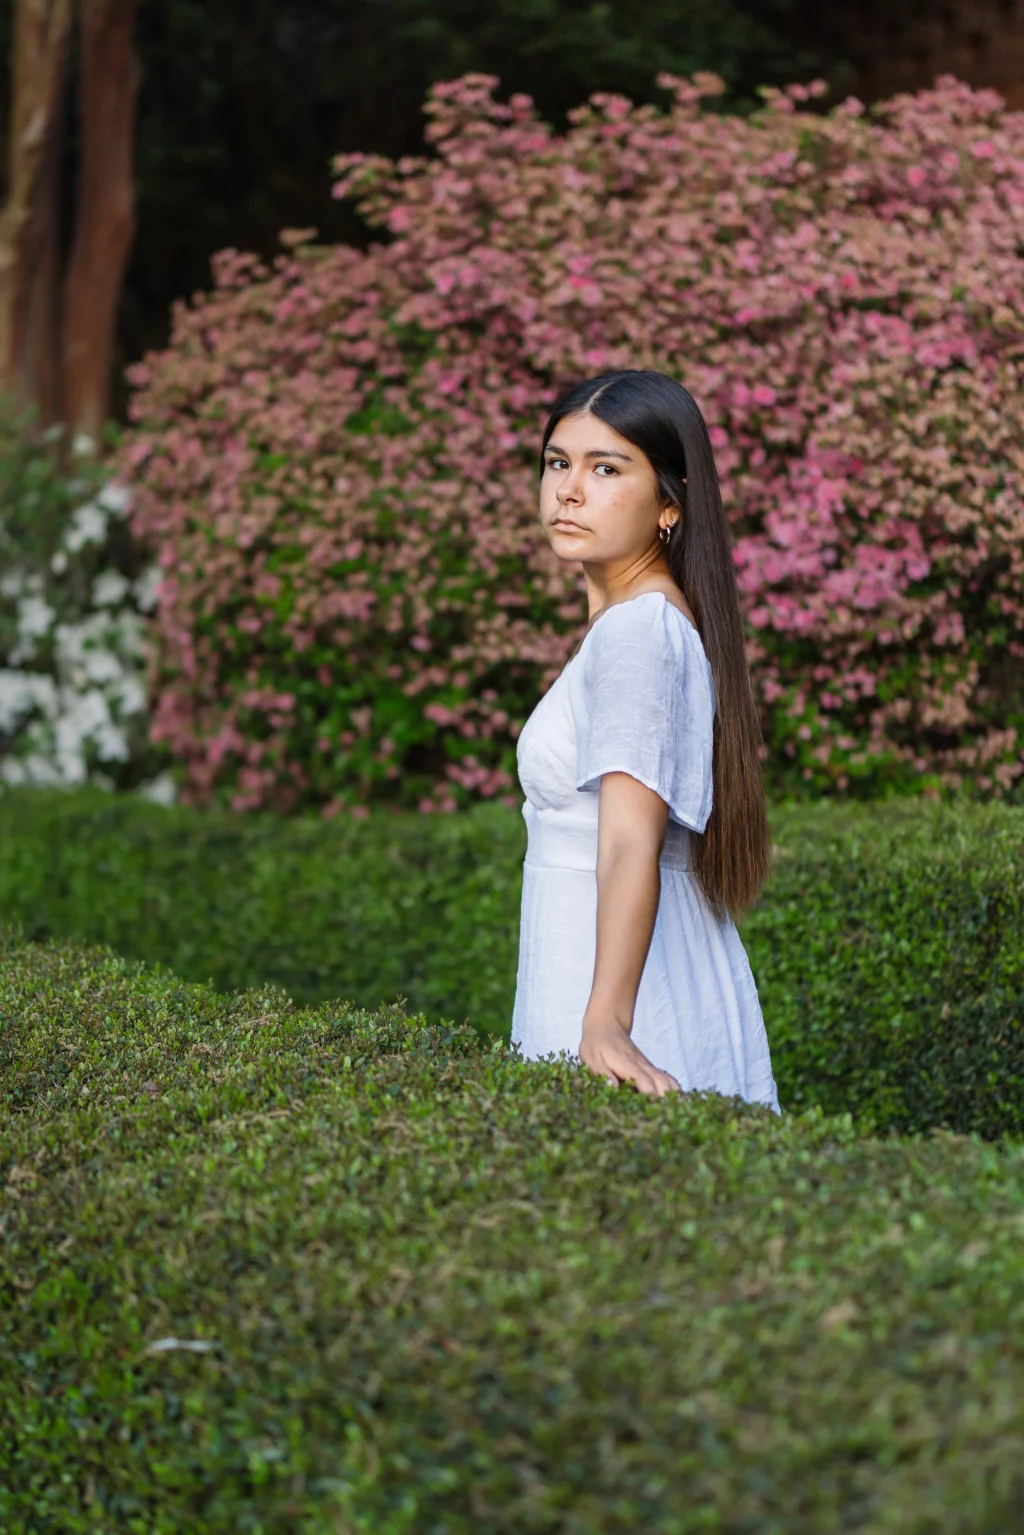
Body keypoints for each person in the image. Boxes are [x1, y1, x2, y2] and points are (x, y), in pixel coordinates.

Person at [510, 370, 781, 1112]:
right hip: (616, 968)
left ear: (670, 503)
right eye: (558, 461)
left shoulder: (640, 634)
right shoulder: (635, 625)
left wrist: (605, 1021)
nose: (568, 489)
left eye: (606, 468)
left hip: (627, 995)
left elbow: (630, 839)